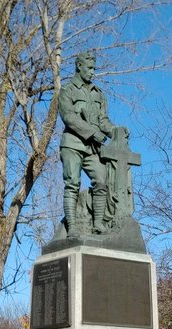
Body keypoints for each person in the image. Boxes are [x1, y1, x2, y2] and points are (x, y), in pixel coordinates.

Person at [58, 53, 115, 235]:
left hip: (93, 148)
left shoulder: (98, 94)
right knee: (72, 183)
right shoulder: (67, 90)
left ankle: (98, 224)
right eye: (89, 68)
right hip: (73, 144)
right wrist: (92, 133)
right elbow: (68, 117)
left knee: (102, 180)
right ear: (79, 66)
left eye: (94, 68)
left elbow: (103, 120)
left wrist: (115, 131)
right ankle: (72, 227)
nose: (92, 72)